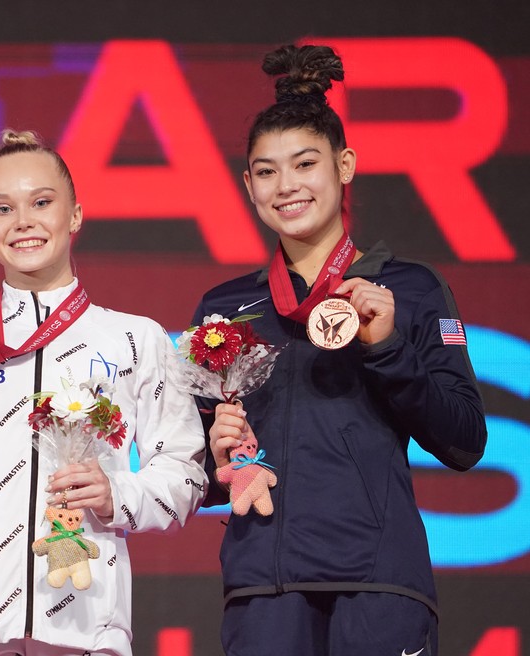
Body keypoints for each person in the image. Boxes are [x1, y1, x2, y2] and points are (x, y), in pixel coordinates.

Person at [196, 45, 488, 655]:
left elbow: (463, 440)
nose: (287, 186)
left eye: (305, 163)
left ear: (345, 165)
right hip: (263, 590)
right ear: (248, 183)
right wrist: (213, 454)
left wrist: (387, 348)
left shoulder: (408, 290)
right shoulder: (223, 310)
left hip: (379, 583)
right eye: (267, 171)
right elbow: (202, 479)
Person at [0, 129, 207, 656]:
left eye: (42, 202)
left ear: (74, 215)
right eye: (3, 208)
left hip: (90, 633)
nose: (24, 221)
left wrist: (115, 498)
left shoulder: (134, 338)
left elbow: (187, 476)